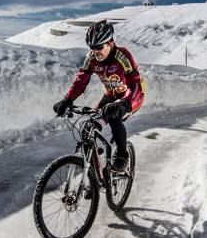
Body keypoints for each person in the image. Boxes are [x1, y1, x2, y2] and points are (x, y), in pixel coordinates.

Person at [53, 20, 145, 172]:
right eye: (92, 48)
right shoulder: (92, 59)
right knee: (88, 127)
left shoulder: (123, 56)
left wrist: (125, 103)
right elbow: (81, 81)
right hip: (109, 96)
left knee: (114, 116)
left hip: (132, 96)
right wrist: (67, 99)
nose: (95, 51)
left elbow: (136, 84)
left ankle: (122, 155)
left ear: (110, 43)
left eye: (99, 47)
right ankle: (95, 169)